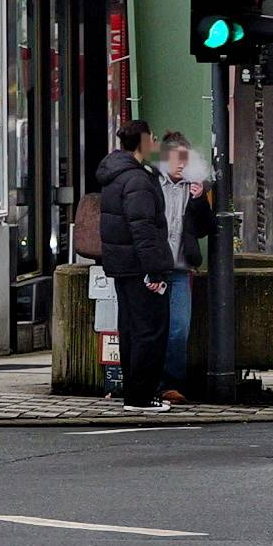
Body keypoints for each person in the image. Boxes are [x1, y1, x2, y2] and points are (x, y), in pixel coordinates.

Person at [95, 119, 174, 414]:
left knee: (130, 329)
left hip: (123, 266)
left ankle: (134, 393)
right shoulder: (138, 180)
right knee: (149, 331)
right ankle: (142, 396)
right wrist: (154, 269)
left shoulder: (115, 175)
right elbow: (143, 228)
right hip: (141, 267)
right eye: (151, 137)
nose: (155, 142)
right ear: (142, 142)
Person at [158, 131, 215, 405]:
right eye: (176, 158)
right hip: (154, 268)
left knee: (179, 329)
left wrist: (200, 200)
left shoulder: (194, 187)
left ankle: (171, 384)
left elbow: (205, 228)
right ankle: (147, 381)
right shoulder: (153, 185)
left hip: (181, 268)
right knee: (153, 328)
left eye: (185, 159)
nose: (181, 164)